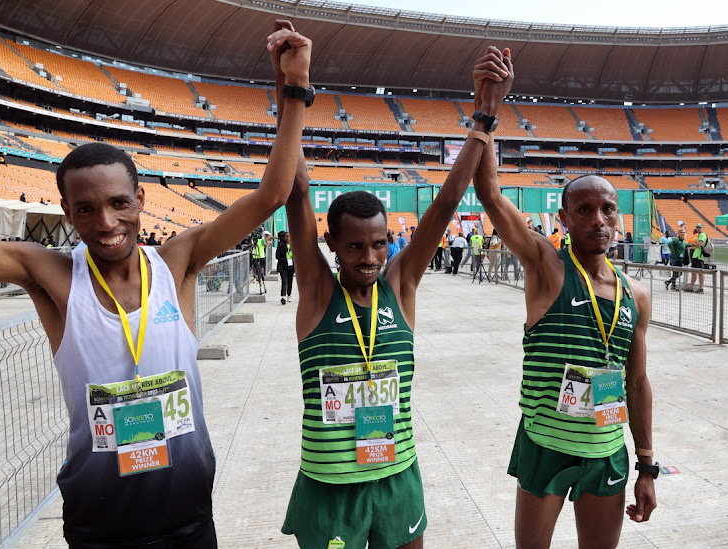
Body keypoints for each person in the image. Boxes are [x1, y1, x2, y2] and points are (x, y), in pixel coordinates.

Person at [0, 24, 312, 548]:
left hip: (185, 508)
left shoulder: (176, 261)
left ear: (139, 200)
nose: (106, 222)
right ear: (66, 211)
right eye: (86, 209)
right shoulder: (49, 273)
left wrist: (293, 90)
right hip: (101, 520)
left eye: (119, 204)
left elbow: (273, 193)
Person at [277, 26, 514, 548]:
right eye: (356, 247)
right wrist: (292, 88)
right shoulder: (317, 292)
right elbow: (297, 193)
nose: (370, 258)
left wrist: (484, 114)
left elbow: (448, 202)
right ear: (332, 245)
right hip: (331, 485)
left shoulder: (400, 285)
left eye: (380, 244)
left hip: (396, 475)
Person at [474, 91, 656, 549]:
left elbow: (636, 382)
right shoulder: (546, 267)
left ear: (618, 216)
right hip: (546, 443)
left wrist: (647, 464)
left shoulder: (636, 295)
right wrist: (487, 112)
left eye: (607, 209)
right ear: (564, 218)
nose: (598, 219)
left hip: (607, 450)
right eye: (584, 210)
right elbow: (490, 193)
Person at [685, 223, 707, 293]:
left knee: (700, 272)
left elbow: (699, 244)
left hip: (699, 256)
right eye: (697, 227)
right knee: (694, 272)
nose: (698, 229)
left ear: (702, 228)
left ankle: (700, 288)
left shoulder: (702, 235)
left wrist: (693, 244)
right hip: (696, 256)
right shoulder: (699, 235)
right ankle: (691, 287)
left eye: (699, 227)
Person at [276, 230, 295, 304]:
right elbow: (277, 256)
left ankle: (289, 295)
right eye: (287, 236)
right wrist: (285, 260)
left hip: (291, 266)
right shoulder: (281, 245)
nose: (288, 238)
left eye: (290, 236)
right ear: (284, 238)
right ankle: (283, 296)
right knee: (284, 281)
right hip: (283, 266)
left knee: (290, 281)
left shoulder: (295, 245)